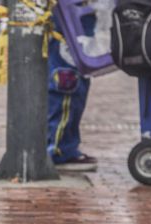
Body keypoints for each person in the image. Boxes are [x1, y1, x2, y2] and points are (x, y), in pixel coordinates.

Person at [46, 6, 97, 172]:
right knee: (67, 82)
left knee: (76, 80)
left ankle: (66, 147)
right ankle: (58, 150)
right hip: (67, 12)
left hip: (77, 12)